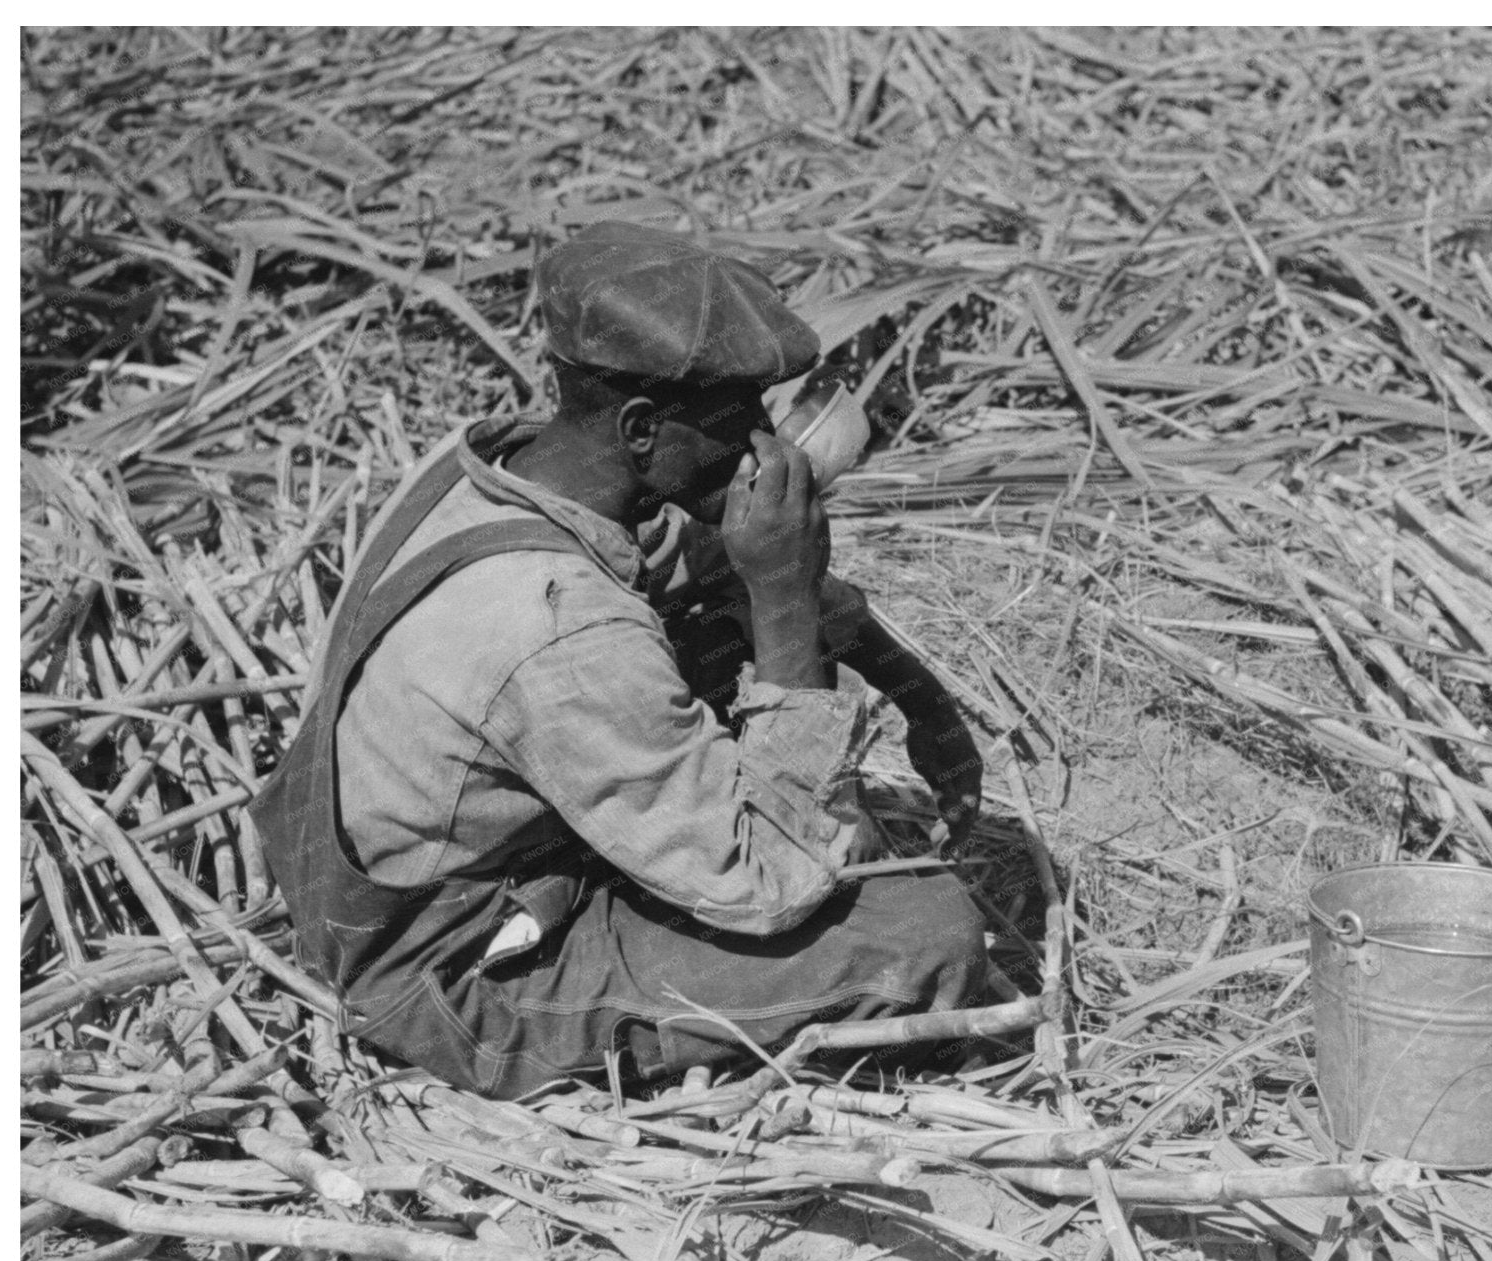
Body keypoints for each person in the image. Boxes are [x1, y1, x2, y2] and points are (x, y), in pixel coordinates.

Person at [253, 222, 987, 1100]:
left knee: (722, 621)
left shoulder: (507, 468)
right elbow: (772, 883)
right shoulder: (559, 629)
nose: (766, 446)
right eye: (739, 420)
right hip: (456, 971)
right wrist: (786, 607)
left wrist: (919, 697)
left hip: (412, 870)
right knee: (928, 930)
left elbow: (704, 567)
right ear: (642, 429)